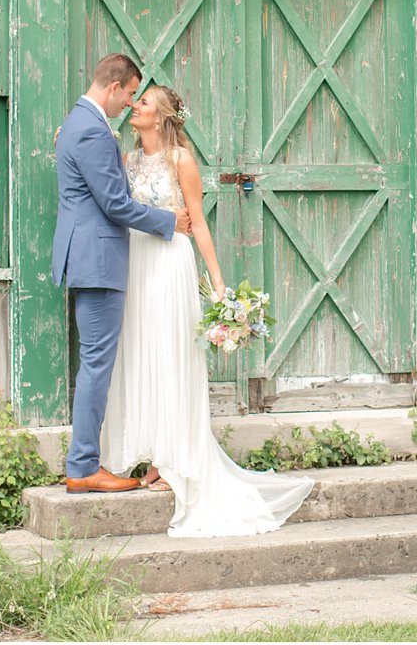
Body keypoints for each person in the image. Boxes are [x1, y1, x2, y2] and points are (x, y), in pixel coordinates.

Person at [101, 84, 314, 536]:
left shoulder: (182, 160)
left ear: (159, 117)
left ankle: (172, 458)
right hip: (136, 263)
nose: (133, 107)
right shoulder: (128, 159)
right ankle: (150, 451)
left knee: (170, 354)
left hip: (170, 262)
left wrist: (217, 284)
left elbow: (196, 221)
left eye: (142, 103)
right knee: (141, 353)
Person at [52, 54, 191, 494]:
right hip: (98, 260)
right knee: (96, 364)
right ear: (114, 87)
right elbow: (114, 204)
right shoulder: (92, 130)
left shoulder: (79, 124)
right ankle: (83, 468)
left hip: (93, 258)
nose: (130, 103)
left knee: (96, 362)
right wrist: (169, 222)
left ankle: (86, 462)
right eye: (131, 93)